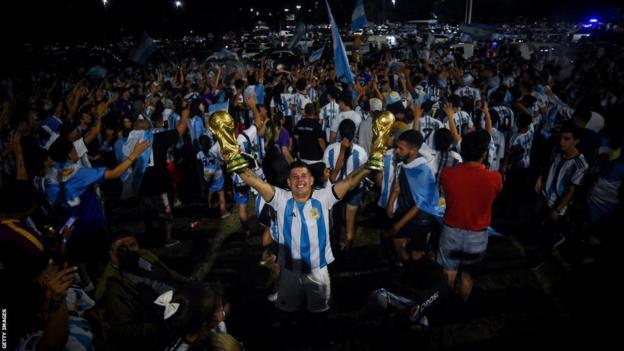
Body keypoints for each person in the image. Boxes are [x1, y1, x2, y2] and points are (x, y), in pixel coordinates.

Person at [231, 152, 372, 347]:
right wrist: (233, 160)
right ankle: (290, 341)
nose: (300, 180)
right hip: (289, 271)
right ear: (288, 182)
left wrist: (368, 166)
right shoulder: (279, 198)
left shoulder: (324, 197)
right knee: (288, 313)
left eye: (304, 176)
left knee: (320, 313)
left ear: (312, 179)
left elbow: (348, 182)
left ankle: (319, 342)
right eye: (295, 177)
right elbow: (255, 182)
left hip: (317, 270)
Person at [95, 231, 192, 350]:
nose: (129, 250)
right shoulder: (114, 286)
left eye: (132, 245)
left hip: (182, 304)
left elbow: (168, 273)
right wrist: (160, 327)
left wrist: (189, 282)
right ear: (112, 255)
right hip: (166, 329)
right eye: (122, 249)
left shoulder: (145, 256)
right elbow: (120, 330)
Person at [437, 130, 502, 303]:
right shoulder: (495, 178)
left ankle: (446, 305)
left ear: (462, 152)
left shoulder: (447, 174)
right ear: (484, 154)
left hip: (451, 231)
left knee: (448, 272)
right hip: (477, 234)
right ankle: (460, 308)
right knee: (467, 275)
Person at [532, 122, 588, 265]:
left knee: (548, 233)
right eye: (562, 138)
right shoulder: (557, 151)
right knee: (538, 224)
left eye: (567, 139)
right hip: (544, 196)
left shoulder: (580, 165)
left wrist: (557, 209)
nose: (562, 141)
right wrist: (540, 178)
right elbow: (548, 165)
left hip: (557, 203)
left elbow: (571, 190)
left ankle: (540, 258)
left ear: (576, 141)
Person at [386, 130, 440, 265]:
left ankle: (416, 275)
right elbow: (397, 190)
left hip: (420, 220)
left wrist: (398, 225)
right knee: (398, 245)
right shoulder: (403, 164)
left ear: (413, 150)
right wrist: (392, 199)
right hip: (405, 214)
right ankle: (411, 272)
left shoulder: (423, 171)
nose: (396, 151)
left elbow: (420, 204)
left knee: (416, 255)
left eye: (400, 148)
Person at [323, 119, 368, 254]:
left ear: (339, 132)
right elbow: (363, 174)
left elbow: (329, 177)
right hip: (354, 191)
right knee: (350, 223)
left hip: (335, 190)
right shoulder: (361, 152)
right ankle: (348, 251)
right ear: (354, 134)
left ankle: (335, 247)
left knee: (335, 221)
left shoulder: (330, 149)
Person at [294, 102, 326, 185]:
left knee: (306, 182)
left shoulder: (299, 123)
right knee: (316, 183)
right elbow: (321, 141)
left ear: (305, 111)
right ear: (314, 112)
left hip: (303, 158)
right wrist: (325, 153)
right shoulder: (317, 125)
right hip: (315, 160)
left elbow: (296, 137)